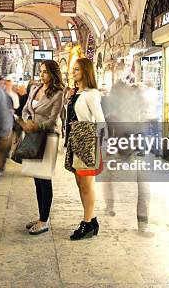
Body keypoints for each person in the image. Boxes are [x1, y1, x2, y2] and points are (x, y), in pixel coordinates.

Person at [20, 60, 64, 235]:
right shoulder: (35, 89)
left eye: (45, 72)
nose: (42, 74)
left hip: (46, 137)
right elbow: (25, 109)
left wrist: (37, 126)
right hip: (32, 137)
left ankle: (44, 220)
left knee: (45, 180)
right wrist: (26, 122)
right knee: (37, 180)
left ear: (53, 74)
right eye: (41, 71)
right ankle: (40, 217)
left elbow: (53, 119)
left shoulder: (58, 93)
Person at [64, 58, 105, 240]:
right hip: (75, 142)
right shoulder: (76, 93)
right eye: (73, 69)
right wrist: (69, 98)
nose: (73, 72)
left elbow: (101, 120)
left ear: (86, 72)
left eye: (77, 69)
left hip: (88, 142)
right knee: (80, 184)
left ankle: (87, 223)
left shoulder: (91, 94)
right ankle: (92, 219)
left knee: (87, 186)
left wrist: (100, 144)